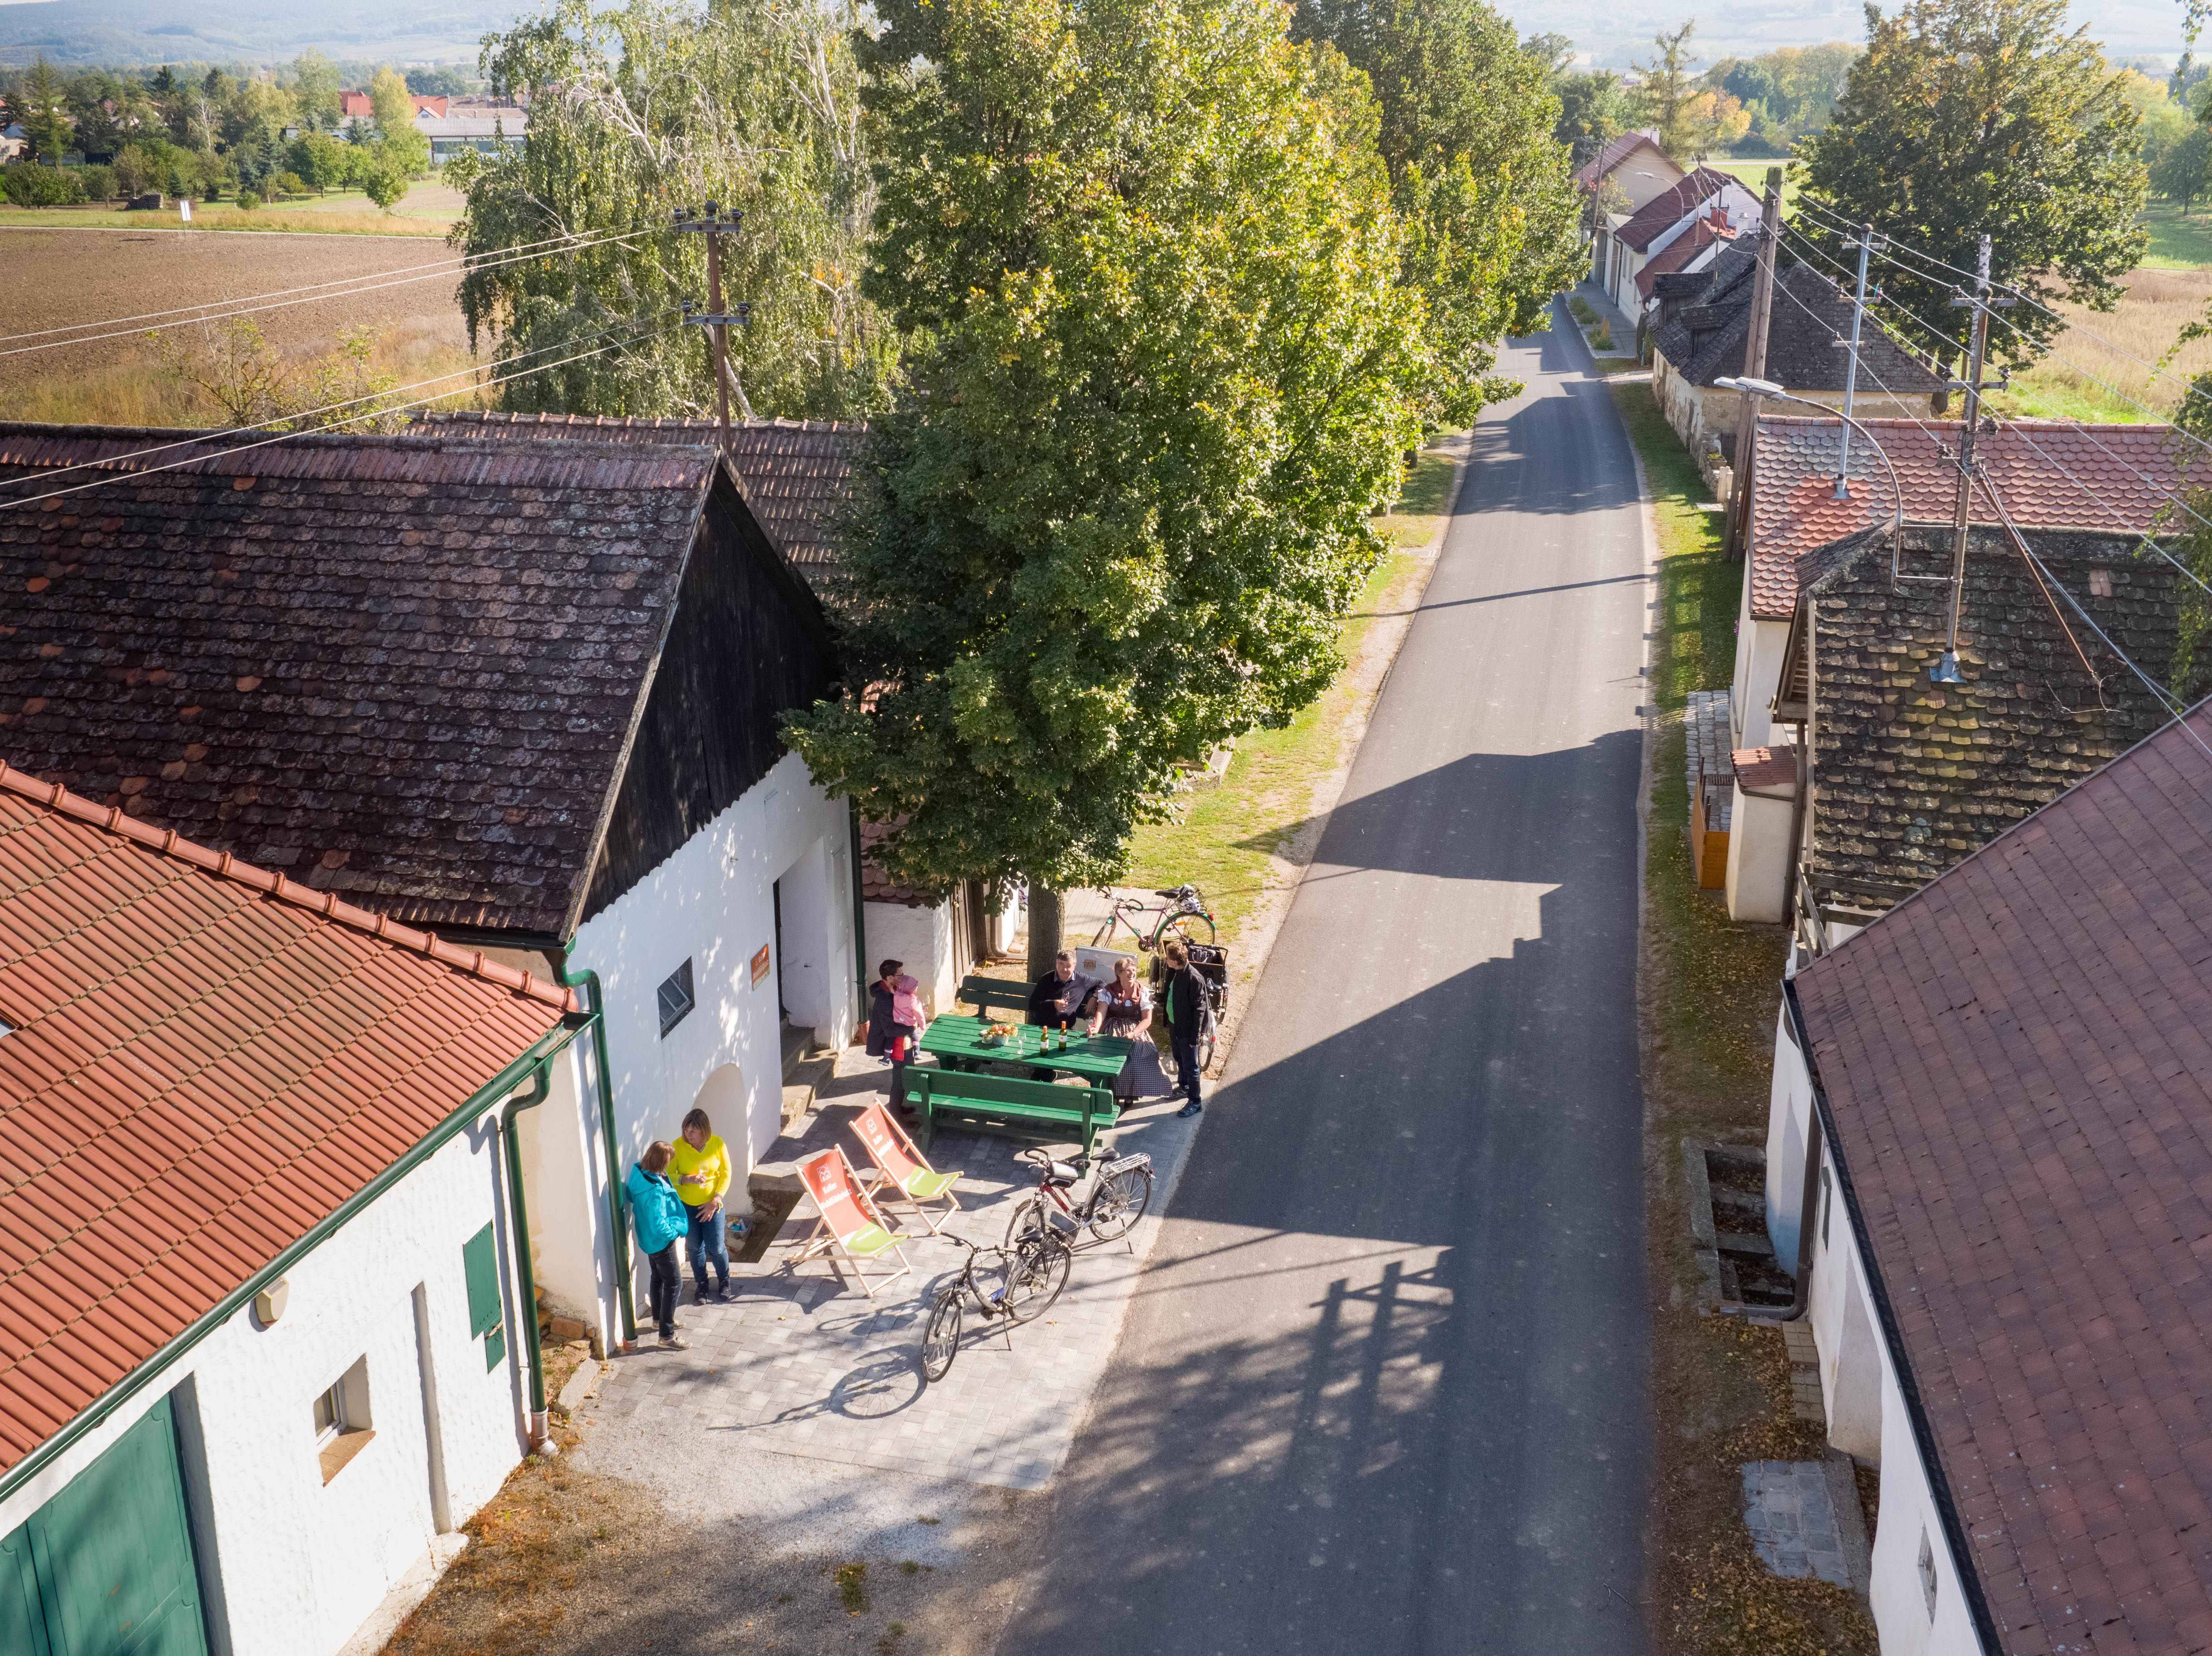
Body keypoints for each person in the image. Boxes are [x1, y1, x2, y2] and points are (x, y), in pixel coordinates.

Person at [625, 1140, 689, 1349]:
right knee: (674, 1284)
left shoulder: (638, 1173)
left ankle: (657, 1321)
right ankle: (667, 1336)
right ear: (661, 1162)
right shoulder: (654, 1191)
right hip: (661, 1243)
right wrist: (674, 1233)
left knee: (658, 1279)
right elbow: (659, 1224)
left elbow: (629, 1195)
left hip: (647, 1240)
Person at [669, 1107, 732, 1303]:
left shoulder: (718, 1144)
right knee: (695, 1247)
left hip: (713, 1205)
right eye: (686, 1131)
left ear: (704, 1131)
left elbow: (726, 1174)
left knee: (716, 1248)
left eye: (693, 1131)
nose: (689, 1135)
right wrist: (688, 1180)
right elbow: (669, 1176)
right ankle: (702, 1284)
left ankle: (724, 1281)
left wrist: (716, 1200)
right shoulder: (677, 1146)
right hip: (688, 1206)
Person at [1088, 956, 1171, 1102]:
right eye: (1128, 971)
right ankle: (1112, 1093)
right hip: (1112, 1026)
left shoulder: (1142, 992)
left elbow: (1147, 1019)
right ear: (1119, 974)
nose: (1132, 973)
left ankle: (1130, 1094)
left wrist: (1134, 1033)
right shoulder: (1109, 990)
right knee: (1109, 1056)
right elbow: (1102, 1011)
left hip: (1134, 1028)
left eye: (1134, 970)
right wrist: (1096, 1027)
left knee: (1138, 1057)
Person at [1158, 937, 1208, 1119]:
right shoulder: (1176, 971)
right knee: (1179, 1058)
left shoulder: (1194, 978)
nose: (1166, 960)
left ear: (1176, 960)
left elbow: (1200, 1009)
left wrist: (1196, 1037)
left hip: (1187, 1031)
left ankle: (1196, 1101)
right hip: (1175, 1025)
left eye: (1168, 958)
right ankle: (1184, 1086)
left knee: (1191, 1066)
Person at [868, 958, 918, 1114]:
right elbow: (889, 1030)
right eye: (900, 976)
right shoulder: (885, 1000)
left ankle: (898, 1108)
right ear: (890, 978)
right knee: (900, 1080)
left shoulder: (894, 991)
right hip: (896, 1046)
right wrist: (911, 1027)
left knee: (903, 1077)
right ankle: (896, 1116)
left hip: (902, 1042)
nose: (903, 978)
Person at [1027, 950, 1100, 1028]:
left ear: (1074, 967)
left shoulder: (1082, 980)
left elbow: (1101, 983)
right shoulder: (1047, 979)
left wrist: (1094, 998)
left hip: (1067, 1029)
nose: (1064, 969)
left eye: (1068, 966)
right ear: (1056, 965)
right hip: (1043, 1027)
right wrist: (1053, 1004)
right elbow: (1032, 1005)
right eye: (1061, 965)